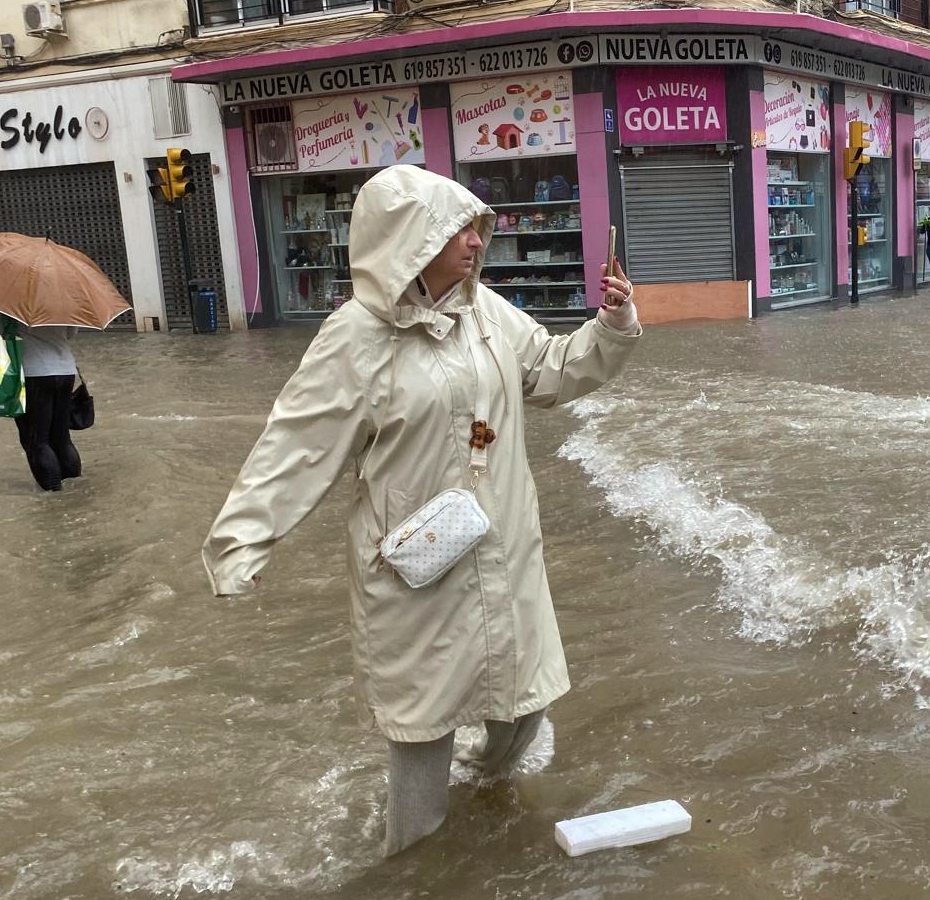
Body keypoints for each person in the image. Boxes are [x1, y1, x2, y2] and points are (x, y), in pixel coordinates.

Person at [200, 165, 640, 858]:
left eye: (475, 228)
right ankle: (413, 866)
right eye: (457, 230)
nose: (474, 242)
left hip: (503, 549)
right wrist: (242, 543)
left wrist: (611, 328)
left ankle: (483, 800)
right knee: (423, 728)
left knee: (523, 702)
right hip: (417, 568)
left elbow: (550, 369)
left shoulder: (485, 313)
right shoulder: (355, 338)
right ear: (411, 240)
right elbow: (295, 444)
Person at [0, 308, 80, 491]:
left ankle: (54, 496)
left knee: (36, 440)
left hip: (32, 373)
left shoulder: (5, 298)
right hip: (65, 370)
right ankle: (75, 490)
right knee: (61, 437)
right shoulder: (60, 294)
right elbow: (71, 333)